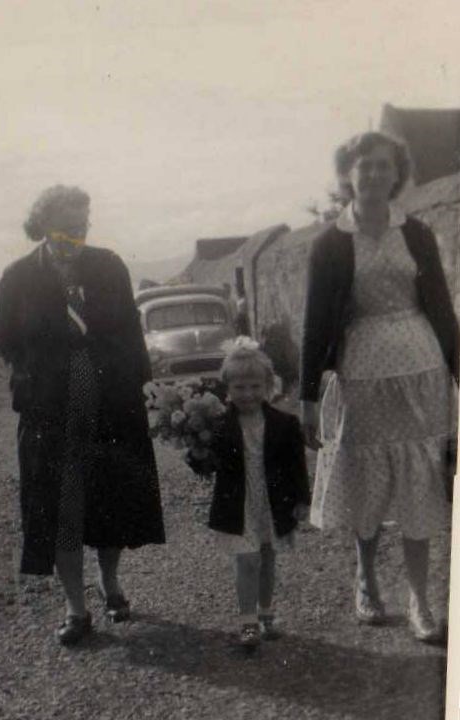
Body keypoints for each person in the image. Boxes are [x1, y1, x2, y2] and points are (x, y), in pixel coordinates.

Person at [0, 185, 165, 645]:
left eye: (83, 226)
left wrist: (144, 386)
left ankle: (110, 582)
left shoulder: (108, 266)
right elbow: (2, 336)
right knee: (63, 506)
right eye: (68, 227)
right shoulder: (19, 276)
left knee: (111, 500)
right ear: (44, 226)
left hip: (111, 402)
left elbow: (130, 329)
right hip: (51, 410)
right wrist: (32, 372)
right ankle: (76, 608)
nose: (77, 234)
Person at [300, 131, 459, 642]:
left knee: (419, 484)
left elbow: (440, 306)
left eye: (382, 167)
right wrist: (305, 395)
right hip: (362, 373)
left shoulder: (416, 232)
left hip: (420, 370)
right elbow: (315, 323)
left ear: (397, 175)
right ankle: (366, 582)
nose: (372, 175)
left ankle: (419, 600)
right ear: (348, 173)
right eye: (363, 166)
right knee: (367, 484)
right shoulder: (329, 242)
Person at [187, 340, 310, 648]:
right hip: (238, 504)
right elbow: (206, 465)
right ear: (228, 388)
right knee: (247, 560)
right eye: (240, 387)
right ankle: (247, 622)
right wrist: (196, 449)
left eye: (255, 386)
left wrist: (301, 499)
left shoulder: (285, 423)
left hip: (272, 502)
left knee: (267, 559)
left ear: (269, 385)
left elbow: (296, 465)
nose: (248, 394)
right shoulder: (218, 425)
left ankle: (266, 614)